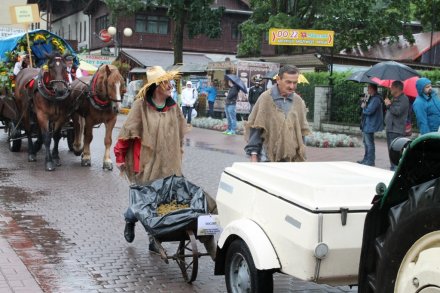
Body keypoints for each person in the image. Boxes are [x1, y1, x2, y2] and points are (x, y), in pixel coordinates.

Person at [113, 66, 187, 252]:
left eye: (170, 82)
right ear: (156, 86)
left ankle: (154, 237)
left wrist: (177, 153)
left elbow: (179, 133)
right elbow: (127, 133)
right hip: (144, 162)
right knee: (144, 202)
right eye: (165, 82)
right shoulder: (141, 106)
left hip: (168, 162)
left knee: (161, 202)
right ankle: (130, 219)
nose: (170, 86)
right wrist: (119, 156)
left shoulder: (173, 107)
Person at [244, 65, 311, 162]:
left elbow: (301, 132)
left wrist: (302, 156)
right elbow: (255, 129)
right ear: (278, 79)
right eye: (288, 82)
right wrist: (253, 156)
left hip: (291, 160)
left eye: (295, 83)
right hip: (267, 158)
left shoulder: (298, 101)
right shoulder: (265, 98)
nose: (292, 86)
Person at [384, 81, 409, 170]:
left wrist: (389, 105)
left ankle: (396, 169)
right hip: (390, 128)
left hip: (396, 130)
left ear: (397, 88)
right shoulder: (395, 98)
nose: (390, 88)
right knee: (391, 151)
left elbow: (397, 112)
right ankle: (392, 168)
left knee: (396, 152)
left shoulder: (404, 99)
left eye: (392, 87)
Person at [357, 83, 384, 166]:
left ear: (373, 89)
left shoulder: (376, 99)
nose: (367, 90)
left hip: (370, 124)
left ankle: (370, 161)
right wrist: (364, 102)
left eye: (368, 88)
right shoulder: (372, 98)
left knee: (369, 143)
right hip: (367, 123)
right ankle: (366, 159)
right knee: (365, 142)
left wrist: (364, 107)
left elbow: (369, 111)